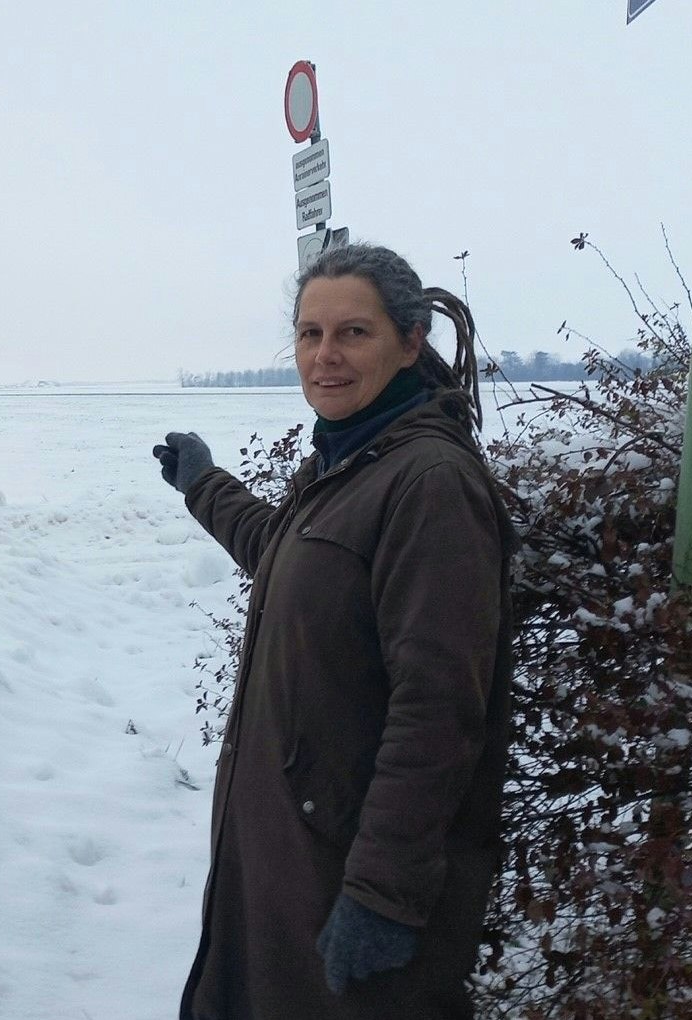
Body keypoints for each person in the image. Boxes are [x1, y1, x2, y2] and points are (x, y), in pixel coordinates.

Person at [155, 243, 516, 1019]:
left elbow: (440, 709)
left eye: (353, 333)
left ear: (410, 340)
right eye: (309, 334)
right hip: (289, 854)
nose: (325, 357)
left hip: (342, 870)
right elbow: (286, 559)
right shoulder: (349, 463)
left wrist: (382, 896)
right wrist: (205, 486)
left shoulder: (429, 484)